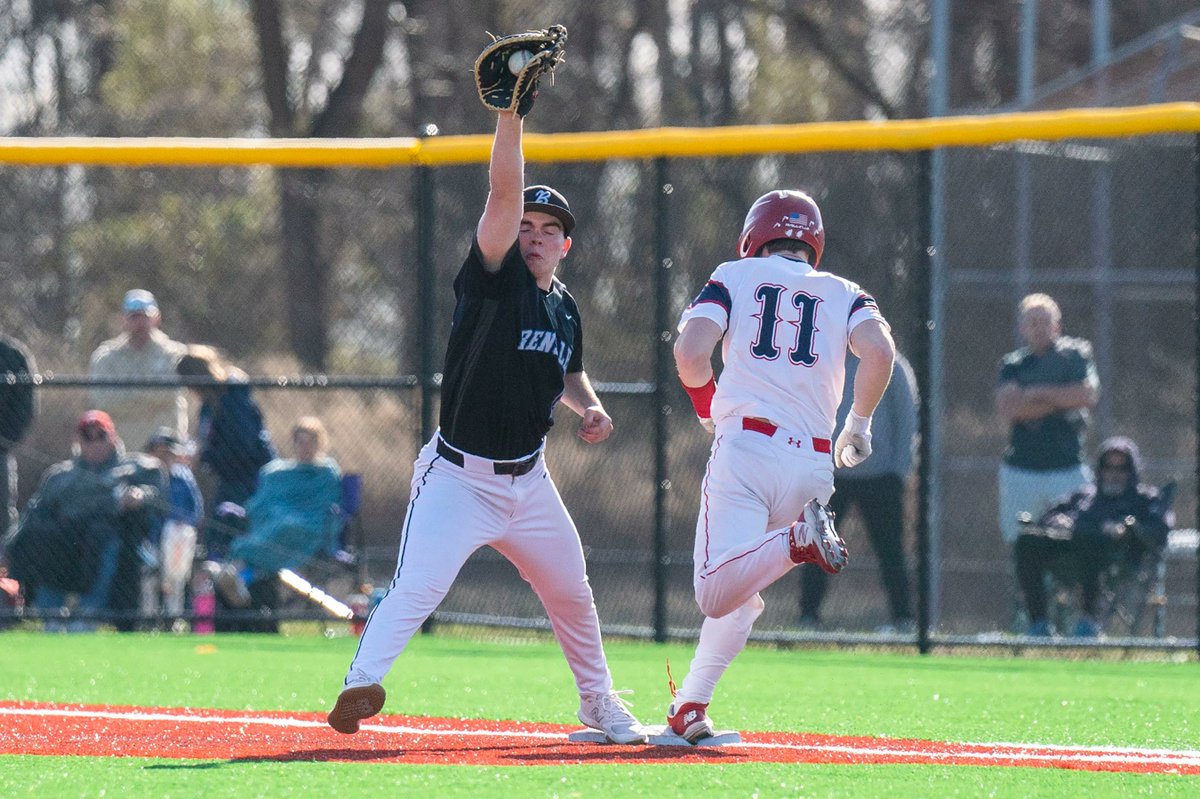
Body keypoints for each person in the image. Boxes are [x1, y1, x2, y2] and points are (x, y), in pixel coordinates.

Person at [326, 107, 645, 745]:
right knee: (419, 586)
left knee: (572, 592)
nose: (535, 236)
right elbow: (501, 192)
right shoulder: (494, 280)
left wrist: (589, 406)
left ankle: (598, 702)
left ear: (565, 245)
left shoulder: (565, 307)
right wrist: (510, 116)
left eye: (549, 229)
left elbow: (569, 371)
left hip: (530, 482)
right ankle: (360, 684)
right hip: (458, 478)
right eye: (525, 225)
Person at [670, 189, 895, 743]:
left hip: (748, 447)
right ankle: (690, 706)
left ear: (754, 236)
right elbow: (880, 351)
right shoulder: (845, 290)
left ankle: (798, 540)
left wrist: (705, 407)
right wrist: (859, 424)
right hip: (814, 467)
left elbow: (690, 353)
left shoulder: (735, 274)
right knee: (742, 587)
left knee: (714, 591)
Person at [6, 411, 163, 631]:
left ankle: (87, 617)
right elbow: (32, 514)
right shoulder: (60, 476)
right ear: (78, 440)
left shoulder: (136, 468)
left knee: (106, 543)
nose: (95, 442)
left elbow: (158, 494)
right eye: (88, 436)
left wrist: (141, 495)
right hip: (65, 546)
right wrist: (8, 548)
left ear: (113, 437)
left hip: (110, 542)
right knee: (43, 541)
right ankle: (51, 618)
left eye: (101, 435)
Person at [995, 293, 1099, 627]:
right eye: (1032, 322)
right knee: (1024, 544)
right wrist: (1060, 398)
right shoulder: (1013, 364)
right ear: (1022, 328)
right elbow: (1009, 409)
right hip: (1021, 471)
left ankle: (1084, 621)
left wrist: (1036, 394)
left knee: (1082, 538)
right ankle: (1034, 622)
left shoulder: (1076, 356)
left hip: (1068, 470)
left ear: (1057, 325)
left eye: (1045, 322)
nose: (1039, 328)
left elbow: (1086, 395)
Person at [800, 349, 919, 633]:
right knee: (818, 545)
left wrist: (898, 471)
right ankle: (808, 617)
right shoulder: (824, 360)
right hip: (829, 474)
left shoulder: (891, 363)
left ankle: (903, 619)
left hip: (880, 475)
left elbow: (907, 418)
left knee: (890, 550)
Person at [1016, 437, 1173, 638]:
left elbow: (1158, 530)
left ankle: (1088, 624)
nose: (1114, 474)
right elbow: (1050, 515)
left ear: (1132, 471)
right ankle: (1039, 625)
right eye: (1108, 467)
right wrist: (1060, 522)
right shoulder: (1085, 496)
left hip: (1115, 560)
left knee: (1089, 540)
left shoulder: (1146, 499)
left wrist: (1126, 529)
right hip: (1069, 554)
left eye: (1122, 468)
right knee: (1028, 540)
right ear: (1100, 470)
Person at [207, 416, 342, 633]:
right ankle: (237, 580)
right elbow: (262, 504)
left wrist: (291, 519)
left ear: (320, 443)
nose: (305, 447)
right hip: (272, 528)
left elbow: (325, 507)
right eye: (300, 442)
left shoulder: (326, 474)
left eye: (310, 442)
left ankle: (237, 576)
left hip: (309, 530)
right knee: (268, 533)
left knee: (283, 529)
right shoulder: (277, 473)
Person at [175, 345, 276, 557]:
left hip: (251, 477)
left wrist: (204, 455)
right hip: (228, 477)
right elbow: (205, 438)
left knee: (235, 531)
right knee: (219, 532)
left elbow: (241, 444)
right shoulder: (208, 406)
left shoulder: (232, 398)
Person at [89, 289, 189, 454]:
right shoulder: (106, 357)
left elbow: (171, 392)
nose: (140, 323)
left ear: (156, 318)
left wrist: (127, 393)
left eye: (145, 317)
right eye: (134, 317)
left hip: (166, 451)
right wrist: (151, 398)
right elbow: (103, 400)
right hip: (124, 450)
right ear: (123, 319)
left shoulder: (175, 354)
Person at [144, 428, 203, 624]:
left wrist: (177, 523)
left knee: (175, 578)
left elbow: (196, 512)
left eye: (167, 453)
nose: (163, 458)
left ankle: (173, 617)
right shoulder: (144, 475)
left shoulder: (183, 478)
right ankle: (147, 619)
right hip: (149, 540)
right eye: (157, 452)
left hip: (177, 540)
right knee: (148, 576)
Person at [1, 331, 37, 541]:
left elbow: (25, 407)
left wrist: (5, 441)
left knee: (2, 518)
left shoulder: (13, 355)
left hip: (0, 451)